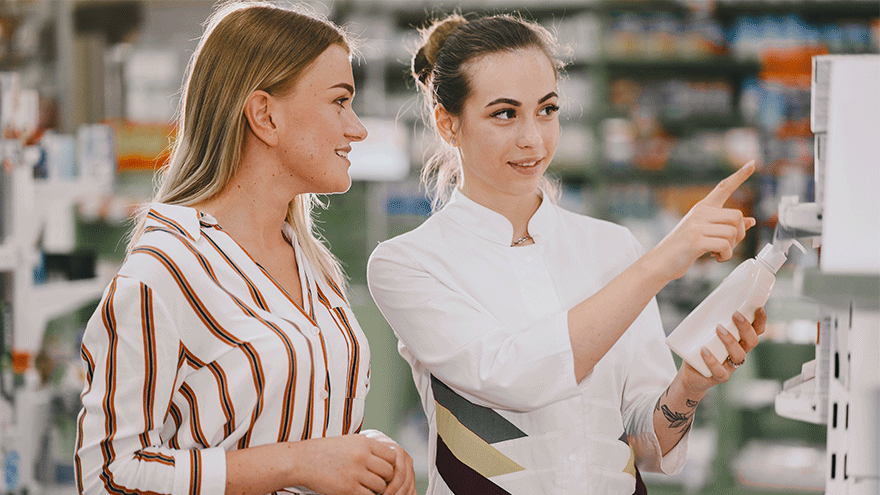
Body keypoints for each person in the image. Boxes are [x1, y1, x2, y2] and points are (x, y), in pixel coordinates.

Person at [367, 12, 765, 495]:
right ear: (447, 124)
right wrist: (661, 263)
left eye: (547, 109)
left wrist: (691, 384)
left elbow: (646, 446)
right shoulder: (409, 263)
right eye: (504, 114)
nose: (533, 139)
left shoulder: (613, 248)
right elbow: (512, 375)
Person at [75, 2, 416, 494]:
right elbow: (107, 476)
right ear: (265, 115)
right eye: (340, 101)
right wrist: (295, 464)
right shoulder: (165, 272)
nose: (357, 128)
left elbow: (292, 430)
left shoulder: (313, 266)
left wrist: (365, 452)